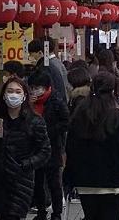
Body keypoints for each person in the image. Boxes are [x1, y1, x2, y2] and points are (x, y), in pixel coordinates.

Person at [65, 72, 119, 220]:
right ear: (113, 90)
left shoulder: (80, 113)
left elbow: (70, 146)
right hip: (111, 181)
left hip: (84, 181)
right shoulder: (116, 115)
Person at [0, 79, 51, 220]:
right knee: (2, 216)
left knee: (14, 215)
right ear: (4, 95)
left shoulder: (35, 121)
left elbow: (45, 151)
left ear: (24, 96)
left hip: (21, 180)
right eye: (9, 91)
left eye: (18, 91)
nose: (13, 95)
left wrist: (26, 165)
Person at [28, 71, 69, 220]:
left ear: (46, 87)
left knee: (54, 183)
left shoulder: (56, 100)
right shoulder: (30, 102)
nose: (34, 91)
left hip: (53, 147)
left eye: (37, 87)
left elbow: (66, 122)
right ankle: (41, 212)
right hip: (35, 149)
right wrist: (30, 105)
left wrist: (48, 131)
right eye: (32, 87)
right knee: (37, 183)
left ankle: (56, 213)